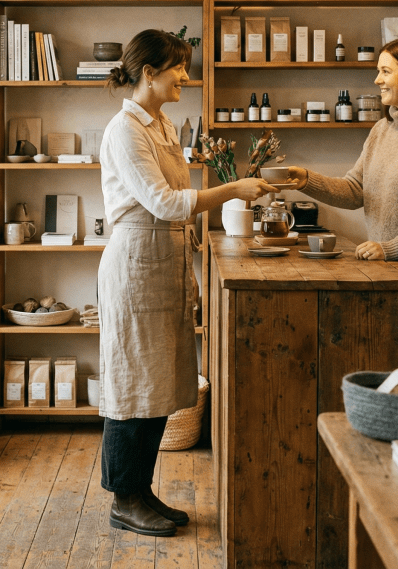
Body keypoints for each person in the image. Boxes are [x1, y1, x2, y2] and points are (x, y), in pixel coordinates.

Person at [97, 29, 276, 537]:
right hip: (136, 264)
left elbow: (175, 199)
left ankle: (141, 490)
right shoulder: (125, 130)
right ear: (148, 73)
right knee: (133, 386)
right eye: (178, 66)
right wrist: (233, 189)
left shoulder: (161, 124)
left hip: (164, 261)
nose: (186, 75)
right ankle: (123, 499)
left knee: (156, 387)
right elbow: (166, 202)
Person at [286, 36, 398, 261]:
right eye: (378, 71)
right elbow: (356, 190)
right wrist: (307, 181)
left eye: (386, 71)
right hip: (384, 267)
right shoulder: (382, 129)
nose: (377, 80)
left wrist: (394, 247)